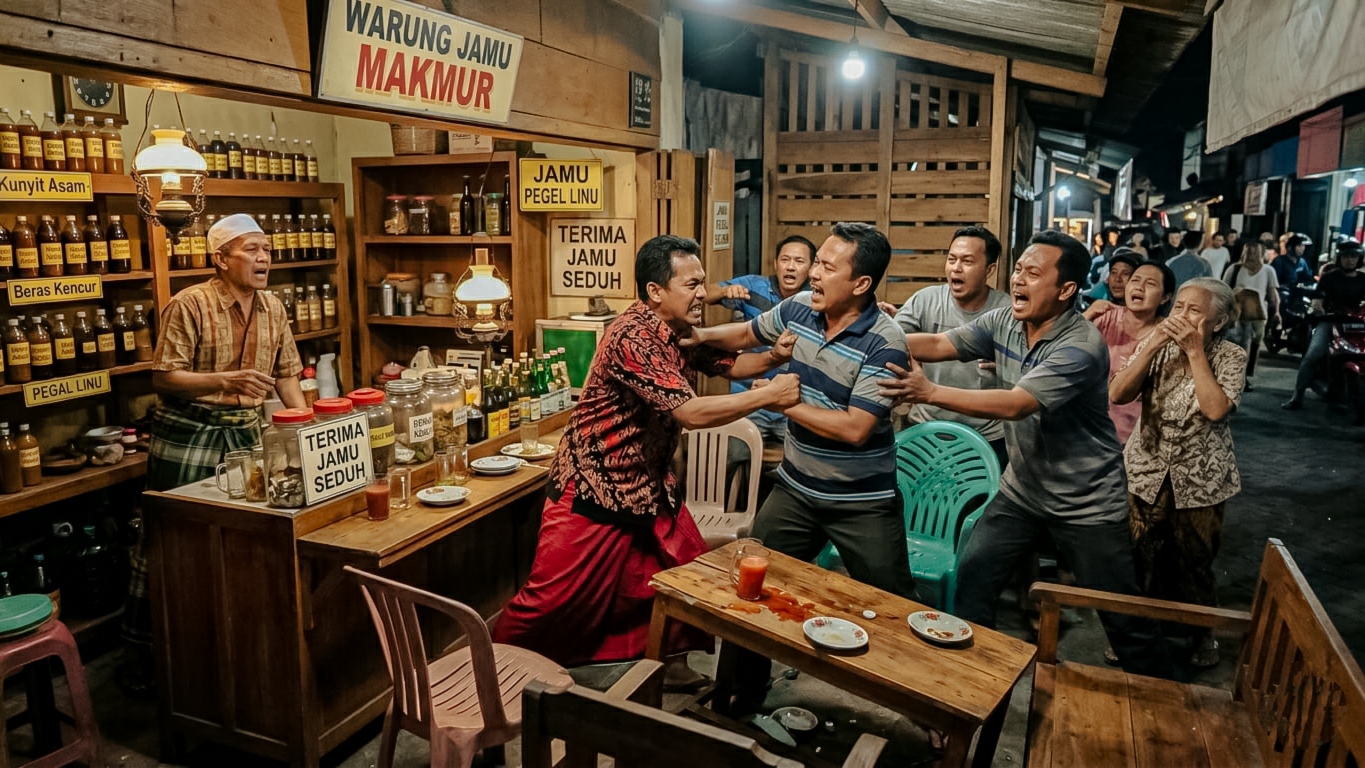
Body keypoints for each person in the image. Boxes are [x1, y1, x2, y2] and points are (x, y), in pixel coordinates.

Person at [491, 235, 800, 672]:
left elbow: (730, 364)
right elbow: (691, 412)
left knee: (683, 578)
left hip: (647, 488)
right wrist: (768, 396)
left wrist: (773, 358)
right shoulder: (632, 337)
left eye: (702, 283)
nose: (702, 293)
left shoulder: (678, 330)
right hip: (593, 488)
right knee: (546, 602)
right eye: (691, 284)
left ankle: (667, 668)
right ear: (656, 291)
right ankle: (488, 674)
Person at [879, 230, 1173, 678]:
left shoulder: (1080, 345)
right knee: (973, 581)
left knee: (1121, 617)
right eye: (1018, 270)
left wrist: (930, 391)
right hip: (1022, 492)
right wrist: (877, 336)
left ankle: (1162, 695)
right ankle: (971, 682)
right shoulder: (1004, 321)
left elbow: (1018, 403)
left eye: (1033, 273)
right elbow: (940, 344)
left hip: (1086, 502)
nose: (1018, 279)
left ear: (1066, 290)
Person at [686, 222, 913, 597]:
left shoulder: (886, 342)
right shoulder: (800, 307)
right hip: (795, 489)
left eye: (828, 267)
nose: (814, 273)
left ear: (861, 284)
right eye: (817, 262)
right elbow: (747, 334)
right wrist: (699, 336)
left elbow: (855, 428)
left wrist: (781, 402)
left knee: (891, 604)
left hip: (861, 502)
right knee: (753, 585)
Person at [1110, 278, 1246, 668]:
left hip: (1201, 478)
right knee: (1139, 557)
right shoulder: (1156, 343)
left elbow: (1215, 409)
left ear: (1218, 323)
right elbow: (1118, 394)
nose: (1182, 316)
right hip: (1146, 470)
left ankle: (1202, 636)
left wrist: (1194, 351)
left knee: (1194, 561)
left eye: (1194, 311)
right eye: (1179, 307)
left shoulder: (1231, 356)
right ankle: (1135, 637)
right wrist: (1152, 344)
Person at [148, 213, 306, 491]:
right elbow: (164, 378)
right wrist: (224, 381)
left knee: (248, 511)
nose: (263, 258)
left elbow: (286, 375)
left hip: (246, 432)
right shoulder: (189, 304)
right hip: (190, 432)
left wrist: (306, 425)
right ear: (221, 259)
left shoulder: (274, 308)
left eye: (267, 250)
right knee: (185, 513)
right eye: (251, 250)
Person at [887, 226, 1011, 467]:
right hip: (925, 428)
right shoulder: (925, 300)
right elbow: (892, 340)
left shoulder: (1007, 311)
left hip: (987, 437)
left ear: (989, 270)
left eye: (967, 261)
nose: (956, 268)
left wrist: (1008, 366)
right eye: (952, 259)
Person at [703, 235, 815, 443]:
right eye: (785, 260)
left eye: (799, 261)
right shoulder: (754, 285)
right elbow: (706, 293)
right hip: (749, 395)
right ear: (775, 264)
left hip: (794, 400)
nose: (791, 267)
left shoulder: (817, 298)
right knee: (731, 451)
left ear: (811, 268)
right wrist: (725, 291)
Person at [1084, 261, 1177, 444]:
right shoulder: (1105, 318)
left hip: (1140, 439)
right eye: (1135, 280)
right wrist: (1086, 316)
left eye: (1150, 283)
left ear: (1165, 298)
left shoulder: (1167, 334)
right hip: (1092, 432)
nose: (1139, 287)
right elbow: (1067, 356)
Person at [1283, 241, 1365, 410]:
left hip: (1355, 325)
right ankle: (1297, 396)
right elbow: (1318, 299)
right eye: (1346, 256)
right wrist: (1319, 308)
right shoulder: (1329, 277)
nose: (1350, 260)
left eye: (1354, 256)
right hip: (1330, 321)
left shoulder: (1363, 279)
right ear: (1339, 258)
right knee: (1313, 354)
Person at [1222, 242, 1279, 391]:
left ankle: (1246, 374)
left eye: (1255, 252)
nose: (1252, 256)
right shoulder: (1234, 269)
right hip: (1239, 313)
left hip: (1259, 314)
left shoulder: (1268, 271)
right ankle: (1240, 378)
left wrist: (1277, 312)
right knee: (1242, 344)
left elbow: (1272, 293)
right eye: (1249, 252)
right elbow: (1223, 289)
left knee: (1255, 342)